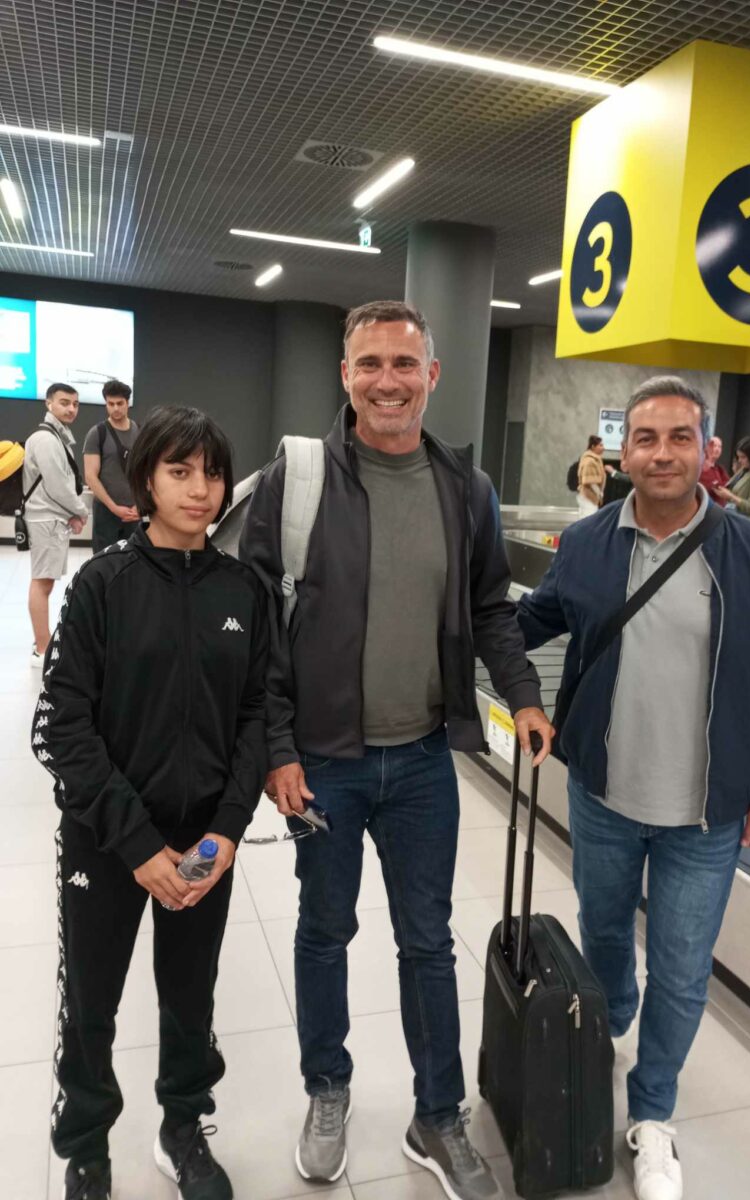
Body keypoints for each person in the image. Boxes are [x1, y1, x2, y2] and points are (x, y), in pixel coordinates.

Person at [239, 300, 553, 1200]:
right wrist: (278, 748)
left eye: (404, 364)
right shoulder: (297, 481)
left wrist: (523, 696)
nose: (387, 381)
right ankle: (327, 1090)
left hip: (422, 761)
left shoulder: (465, 488)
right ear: (346, 375)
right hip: (323, 763)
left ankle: (438, 1114)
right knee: (324, 932)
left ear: (432, 376)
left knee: (427, 942)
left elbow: (490, 608)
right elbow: (259, 631)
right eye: (370, 364)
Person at [516, 376, 750, 1200]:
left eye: (680, 437)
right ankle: (606, 1025)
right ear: (624, 450)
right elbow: (531, 622)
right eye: (645, 438)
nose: (662, 453)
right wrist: (461, 633)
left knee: (680, 972)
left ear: (707, 450)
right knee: (604, 937)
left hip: (706, 813)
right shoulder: (588, 544)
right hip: (604, 794)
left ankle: (652, 1114)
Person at [34, 407, 268, 1200]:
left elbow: (256, 716)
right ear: (147, 480)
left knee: (190, 996)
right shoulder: (103, 585)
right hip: (106, 840)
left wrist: (226, 831)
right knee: (90, 1001)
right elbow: (59, 726)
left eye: (213, 473)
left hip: (203, 842)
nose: (200, 490)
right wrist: (134, 843)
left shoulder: (245, 590)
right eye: (180, 471)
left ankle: (182, 1128)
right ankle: (87, 1147)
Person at [22, 384, 89, 664]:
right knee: (42, 582)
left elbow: (59, 484)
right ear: (49, 404)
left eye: (75, 403)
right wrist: (81, 511)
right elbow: (58, 485)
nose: (71, 408)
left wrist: (71, 514)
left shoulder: (56, 437)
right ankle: (42, 648)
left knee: (45, 582)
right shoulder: (46, 439)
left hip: (51, 517)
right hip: (46, 519)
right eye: (64, 402)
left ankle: (42, 640)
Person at [83, 379, 141, 552]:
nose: (115, 408)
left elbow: (146, 473)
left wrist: (140, 504)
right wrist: (113, 507)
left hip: (134, 512)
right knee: (104, 560)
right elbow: (90, 476)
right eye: (111, 404)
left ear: (127, 403)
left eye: (120, 403)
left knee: (132, 560)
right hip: (106, 511)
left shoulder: (140, 431)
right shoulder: (97, 433)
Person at [715, 436, 750, 521]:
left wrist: (730, 496)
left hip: (746, 523)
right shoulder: (744, 471)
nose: (739, 460)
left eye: (743, 457)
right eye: (739, 457)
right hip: (736, 519)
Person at [577, 434, 606, 516]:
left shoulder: (595, 460)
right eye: (600, 445)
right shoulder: (590, 461)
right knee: (589, 518)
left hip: (590, 496)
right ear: (593, 446)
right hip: (588, 496)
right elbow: (590, 482)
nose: (603, 448)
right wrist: (599, 493)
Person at [699, 434, 730, 504]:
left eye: (719, 446)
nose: (717, 449)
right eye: (714, 446)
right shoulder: (700, 468)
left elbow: (728, 485)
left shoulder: (720, 469)